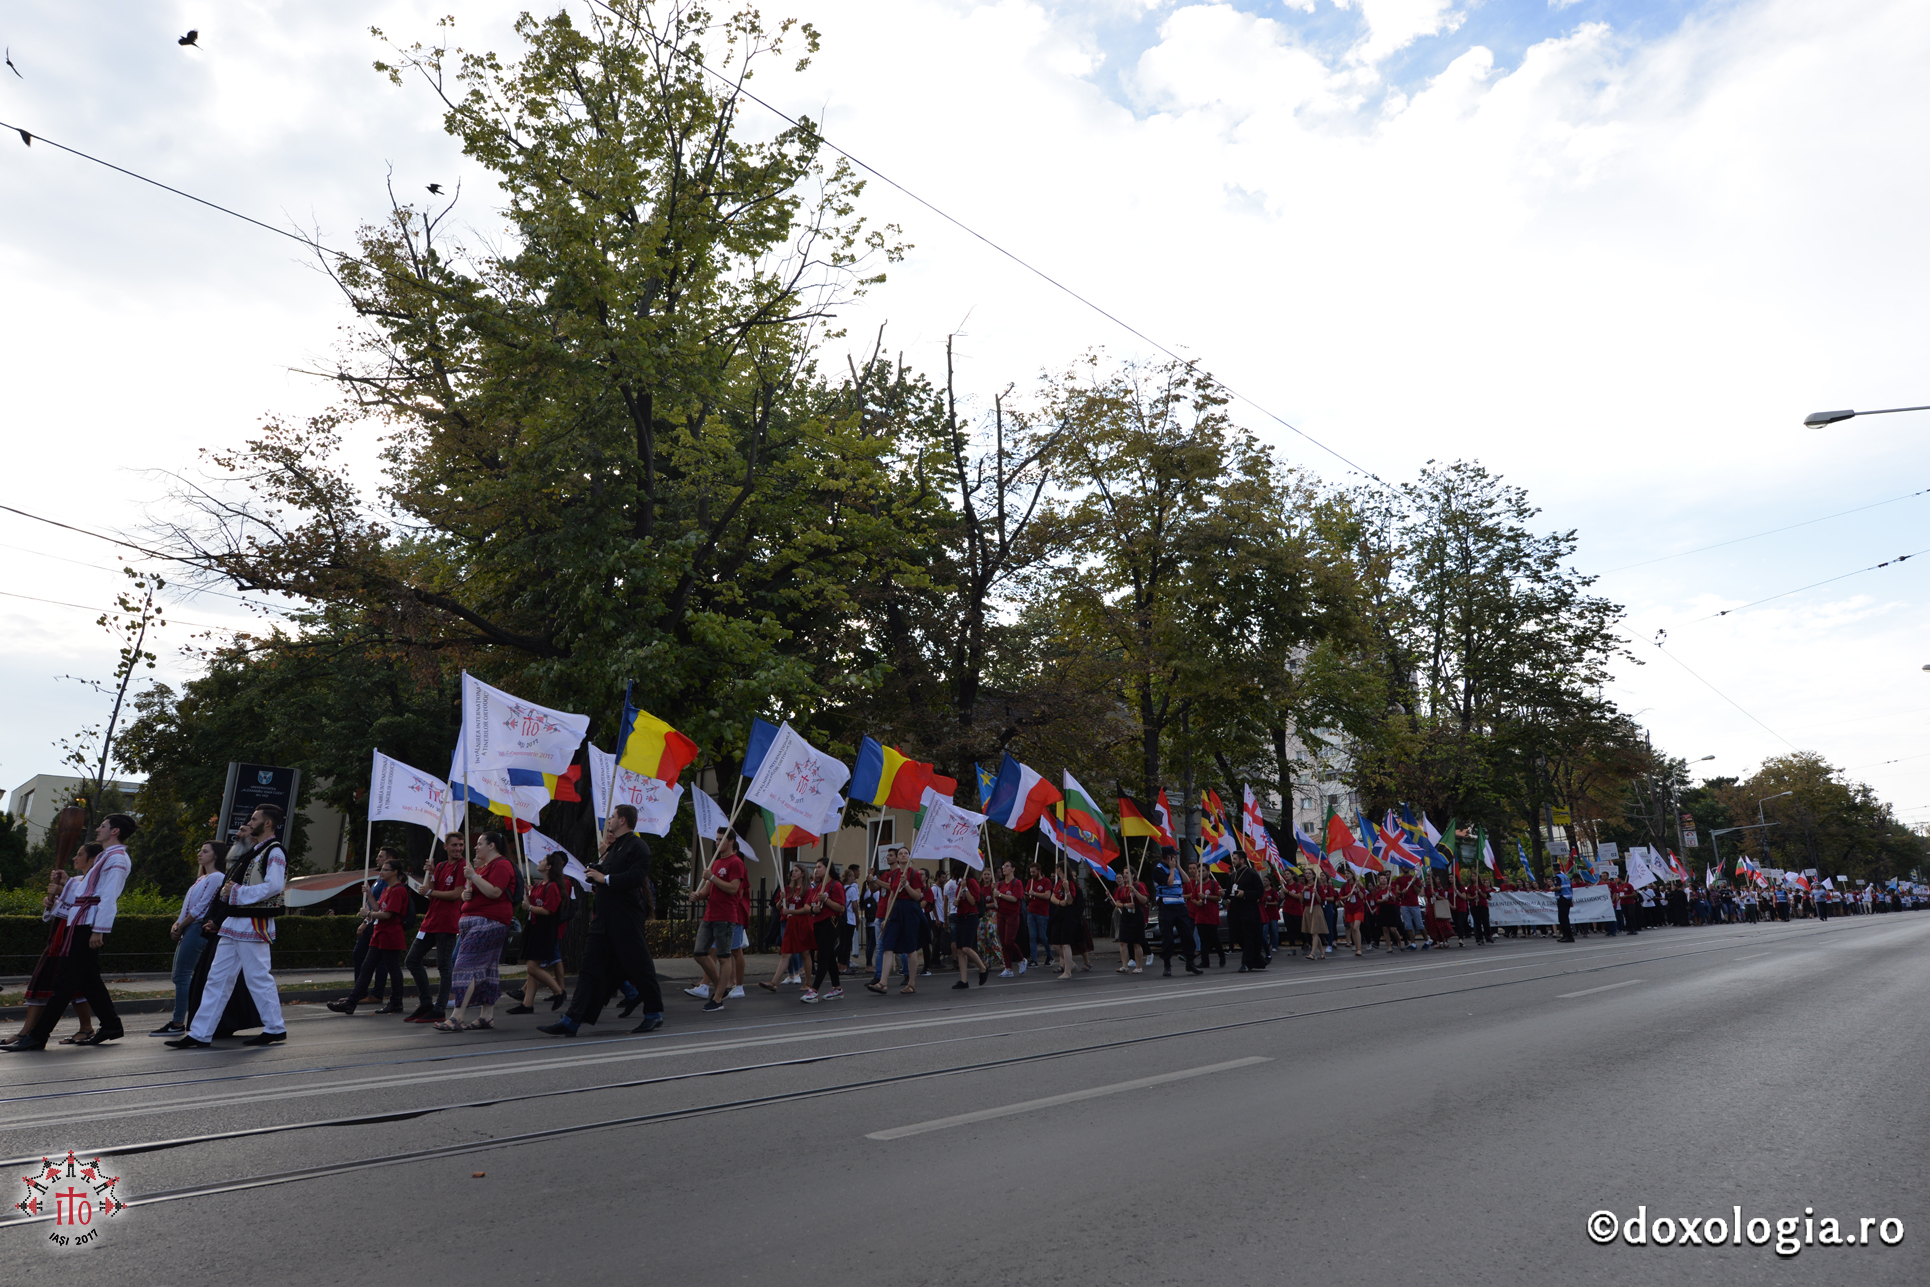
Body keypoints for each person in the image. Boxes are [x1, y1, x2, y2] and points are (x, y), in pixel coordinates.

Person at [6, 816, 135, 1052]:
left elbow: (108, 896)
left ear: (115, 831)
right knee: (88, 980)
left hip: (88, 923)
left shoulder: (117, 858)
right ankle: (111, 1025)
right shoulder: (108, 856)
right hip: (81, 921)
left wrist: (99, 930)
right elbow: (87, 889)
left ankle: (38, 1036)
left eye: (103, 826)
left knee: (64, 982)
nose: (98, 829)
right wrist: (66, 885)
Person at [166, 806, 289, 1050]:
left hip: (253, 921)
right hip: (235, 921)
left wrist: (238, 892)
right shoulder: (256, 851)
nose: (249, 821)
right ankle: (200, 1033)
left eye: (254, 818)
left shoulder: (274, 851)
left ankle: (275, 1027)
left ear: (267, 824)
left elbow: (274, 886)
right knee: (217, 978)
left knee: (257, 976)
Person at [542, 803, 665, 1036]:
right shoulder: (613, 848)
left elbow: (635, 877)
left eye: (612, 816)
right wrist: (595, 875)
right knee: (589, 970)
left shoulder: (638, 847)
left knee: (640, 966)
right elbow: (605, 875)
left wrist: (604, 877)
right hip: (603, 921)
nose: (609, 820)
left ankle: (654, 1013)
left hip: (625, 920)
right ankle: (571, 1020)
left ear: (622, 821)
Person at [8, 846, 102, 1046]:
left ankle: (85, 1028)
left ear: (93, 859)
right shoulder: (76, 881)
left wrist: (62, 890)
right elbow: (60, 910)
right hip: (58, 937)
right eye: (75, 853)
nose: (75, 858)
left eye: (80, 855)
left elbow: (83, 909)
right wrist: (51, 902)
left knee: (73, 985)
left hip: (74, 937)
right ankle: (29, 1030)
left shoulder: (94, 882)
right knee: (49, 982)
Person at [434, 830, 517, 1032]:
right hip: (476, 922)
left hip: (489, 922)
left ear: (492, 846)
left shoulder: (502, 865)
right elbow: (474, 893)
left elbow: (494, 892)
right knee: (487, 970)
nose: (475, 847)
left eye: (480, 843)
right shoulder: (484, 867)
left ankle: (457, 1017)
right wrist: (466, 893)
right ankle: (486, 1016)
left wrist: (473, 877)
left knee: (464, 966)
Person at [152, 842, 228, 1036]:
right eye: (200, 851)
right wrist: (176, 925)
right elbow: (188, 906)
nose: (199, 854)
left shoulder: (217, 877)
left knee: (182, 975)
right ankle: (183, 1021)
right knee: (180, 976)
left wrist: (182, 925)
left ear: (216, 856)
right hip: (189, 928)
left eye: (205, 851)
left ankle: (178, 1023)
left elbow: (202, 908)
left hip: (196, 929)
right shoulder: (202, 878)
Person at [329, 851, 412, 1016]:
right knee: (367, 967)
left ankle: (396, 1001)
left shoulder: (398, 890)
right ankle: (352, 1002)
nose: (381, 872)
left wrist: (368, 915)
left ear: (395, 872)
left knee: (392, 968)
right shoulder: (388, 889)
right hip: (380, 934)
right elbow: (378, 908)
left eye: (385, 870)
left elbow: (387, 914)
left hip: (389, 935)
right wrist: (369, 895)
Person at [404, 833, 467, 1023]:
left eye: (461, 845)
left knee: (444, 966)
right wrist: (430, 874)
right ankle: (426, 1004)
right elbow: (430, 894)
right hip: (431, 921)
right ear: (445, 846)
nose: (458, 848)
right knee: (412, 960)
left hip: (447, 923)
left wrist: (431, 891)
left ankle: (440, 1008)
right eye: (454, 845)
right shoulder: (440, 866)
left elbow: (457, 894)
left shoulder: (463, 866)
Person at [691, 830, 748, 1012]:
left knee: (724, 957)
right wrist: (697, 896)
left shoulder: (736, 863)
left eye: (720, 839)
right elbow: (708, 889)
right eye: (716, 839)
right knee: (699, 953)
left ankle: (717, 1000)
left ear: (731, 842)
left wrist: (713, 878)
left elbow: (733, 889)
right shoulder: (715, 863)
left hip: (725, 917)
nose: (717, 842)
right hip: (710, 915)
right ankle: (719, 986)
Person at [509, 853, 569, 1013]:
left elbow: (548, 910)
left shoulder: (553, 887)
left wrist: (529, 907)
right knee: (532, 968)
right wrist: (529, 895)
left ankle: (558, 991)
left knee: (532, 968)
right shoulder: (538, 885)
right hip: (534, 928)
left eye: (543, 860)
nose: (539, 861)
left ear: (549, 867)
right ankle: (527, 1004)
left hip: (544, 931)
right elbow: (534, 902)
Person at [868, 847, 926, 994]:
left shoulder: (914, 874)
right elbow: (892, 896)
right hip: (895, 911)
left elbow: (917, 896)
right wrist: (886, 917)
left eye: (906, 853)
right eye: (900, 854)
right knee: (888, 946)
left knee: (910, 948)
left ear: (909, 857)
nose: (903, 855)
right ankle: (883, 983)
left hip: (910, 911)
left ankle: (911, 983)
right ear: (898, 858)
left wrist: (906, 884)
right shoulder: (894, 875)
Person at [803, 857, 847, 1002]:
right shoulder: (817, 887)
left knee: (822, 956)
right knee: (829, 957)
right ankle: (837, 988)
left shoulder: (836, 885)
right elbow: (809, 905)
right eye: (815, 867)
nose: (816, 870)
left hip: (830, 923)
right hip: (818, 922)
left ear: (827, 869)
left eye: (819, 867)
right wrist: (813, 908)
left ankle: (814, 990)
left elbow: (841, 907)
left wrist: (826, 900)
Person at [765, 865, 814, 992]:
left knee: (805, 953)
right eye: (792, 870)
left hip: (802, 923)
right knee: (786, 953)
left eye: (796, 871)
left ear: (803, 874)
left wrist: (793, 911)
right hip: (790, 923)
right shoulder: (788, 889)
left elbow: (807, 908)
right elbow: (778, 906)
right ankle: (774, 982)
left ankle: (808, 983)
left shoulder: (807, 890)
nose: (793, 873)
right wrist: (781, 900)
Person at [950, 862, 989, 989]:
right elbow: (961, 900)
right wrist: (957, 902)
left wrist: (965, 888)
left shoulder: (971, 882)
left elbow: (973, 901)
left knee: (966, 948)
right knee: (960, 950)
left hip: (970, 917)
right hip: (960, 916)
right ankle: (964, 980)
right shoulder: (960, 884)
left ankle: (983, 968)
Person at [1228, 852, 1268, 971]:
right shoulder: (1233, 876)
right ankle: (1256, 959)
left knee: (1248, 936)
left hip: (1248, 911)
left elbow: (1260, 892)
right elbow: (1229, 893)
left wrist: (1245, 894)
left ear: (1242, 860)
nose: (1233, 861)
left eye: (1235, 859)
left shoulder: (1251, 873)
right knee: (1238, 936)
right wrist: (1223, 894)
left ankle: (1246, 963)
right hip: (1236, 912)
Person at [1187, 863, 1226, 967]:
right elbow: (1193, 899)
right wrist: (1197, 903)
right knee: (1203, 939)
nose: (1201, 873)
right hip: (1200, 916)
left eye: (1203, 871)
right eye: (1199, 871)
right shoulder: (1197, 885)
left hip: (1211, 916)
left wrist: (1206, 897)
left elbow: (1218, 897)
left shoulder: (1214, 883)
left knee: (1214, 938)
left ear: (1208, 872)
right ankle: (1205, 960)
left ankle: (1221, 956)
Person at [1112, 867, 1149, 973]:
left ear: (1133, 875)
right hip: (1125, 914)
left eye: (1127, 873)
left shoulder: (1139, 885)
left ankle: (1138, 966)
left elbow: (1144, 900)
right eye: (1124, 873)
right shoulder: (1121, 889)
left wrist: (1135, 892)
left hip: (1136, 914)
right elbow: (1117, 903)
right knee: (1123, 941)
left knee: (1136, 942)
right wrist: (1125, 905)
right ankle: (1125, 966)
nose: (1125, 875)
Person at [994, 861, 1026, 977]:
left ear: (1013, 869)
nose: (1004, 868)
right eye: (1003, 866)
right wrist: (995, 894)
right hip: (1001, 914)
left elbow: (1015, 898)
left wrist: (1000, 895)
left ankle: (1021, 959)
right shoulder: (1000, 884)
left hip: (1012, 914)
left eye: (1007, 866)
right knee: (1003, 942)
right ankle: (1008, 968)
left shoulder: (1017, 883)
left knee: (1009, 941)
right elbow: (996, 900)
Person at [1023, 864, 1054, 969]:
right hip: (1031, 912)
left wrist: (1035, 893)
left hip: (1042, 913)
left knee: (1042, 936)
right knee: (1032, 936)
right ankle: (1034, 959)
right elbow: (1028, 897)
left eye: (1034, 872)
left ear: (1039, 871)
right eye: (1031, 872)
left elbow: (1047, 896)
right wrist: (1027, 896)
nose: (1032, 874)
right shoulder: (1030, 882)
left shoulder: (1046, 881)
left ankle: (1049, 955)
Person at [1554, 862, 1575, 943]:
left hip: (1562, 898)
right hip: (1568, 899)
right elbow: (1570, 888)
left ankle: (1568, 937)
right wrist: (1571, 899)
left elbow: (1558, 888)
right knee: (1565, 918)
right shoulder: (1565, 877)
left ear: (1553, 869)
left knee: (1563, 919)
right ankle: (1566, 936)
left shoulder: (1557, 877)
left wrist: (1552, 888)